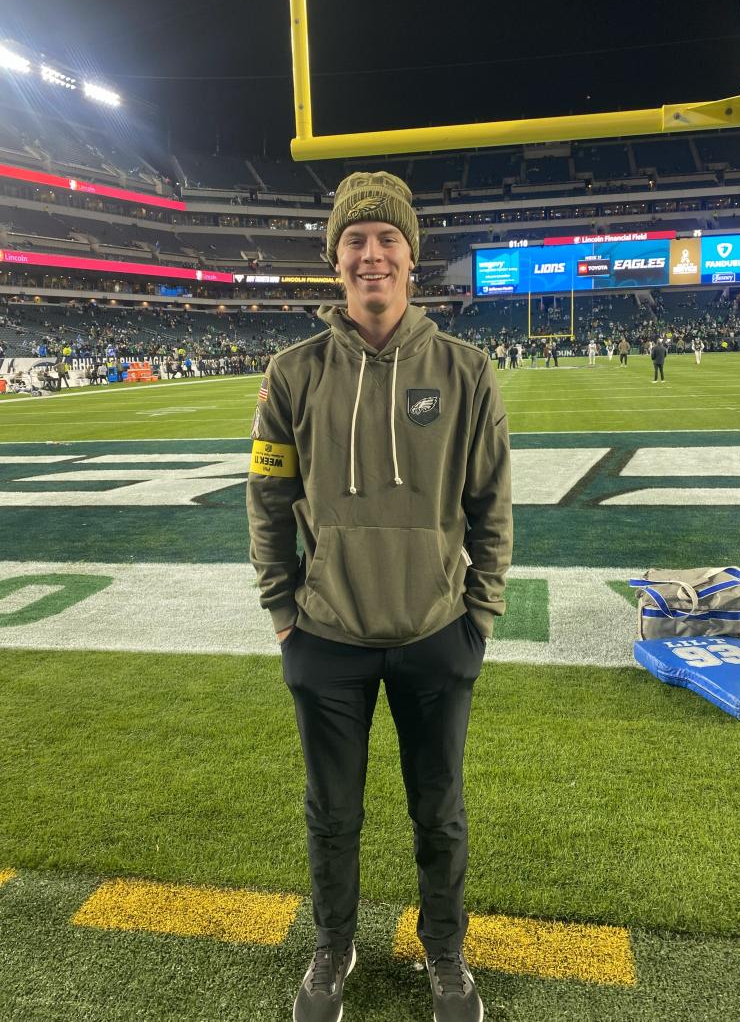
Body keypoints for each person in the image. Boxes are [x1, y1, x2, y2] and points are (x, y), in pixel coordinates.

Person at [247, 172, 512, 1022]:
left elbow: (491, 504)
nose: (371, 254)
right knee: (333, 814)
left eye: (386, 239)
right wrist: (284, 613)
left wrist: (481, 613)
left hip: (437, 630)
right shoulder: (291, 375)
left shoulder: (466, 370)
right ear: (335, 261)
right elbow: (266, 499)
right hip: (325, 636)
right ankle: (335, 945)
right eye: (354, 240)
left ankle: (445, 952)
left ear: (410, 256)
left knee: (439, 812)